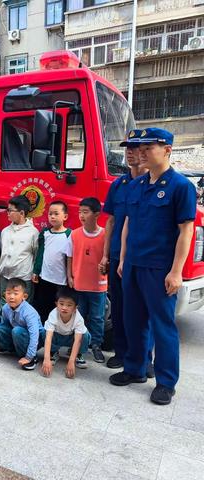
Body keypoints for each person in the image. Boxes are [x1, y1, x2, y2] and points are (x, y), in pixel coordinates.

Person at [110, 128, 196, 406]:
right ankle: (135, 369)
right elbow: (127, 225)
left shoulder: (181, 187)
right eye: (142, 148)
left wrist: (176, 271)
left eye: (149, 148)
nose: (143, 152)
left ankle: (166, 382)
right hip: (133, 264)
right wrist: (123, 258)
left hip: (160, 268)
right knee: (133, 320)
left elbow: (186, 232)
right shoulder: (136, 185)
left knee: (163, 326)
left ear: (167, 150)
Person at [100, 130, 154, 374]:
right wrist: (104, 255)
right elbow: (110, 222)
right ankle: (122, 353)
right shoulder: (118, 185)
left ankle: (146, 358)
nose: (131, 152)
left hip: (144, 257)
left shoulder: (154, 183)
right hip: (116, 255)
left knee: (145, 309)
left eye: (136, 147)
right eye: (127, 148)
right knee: (120, 307)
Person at [66, 197, 107, 364]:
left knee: (97, 317)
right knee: (79, 316)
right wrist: (69, 276)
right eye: (80, 212)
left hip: (98, 285)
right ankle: (78, 344)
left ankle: (96, 345)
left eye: (86, 212)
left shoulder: (105, 234)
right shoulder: (74, 234)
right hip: (80, 283)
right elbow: (69, 256)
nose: (81, 215)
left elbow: (108, 257)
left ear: (97, 214)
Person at [32, 200, 72, 322]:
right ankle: (42, 335)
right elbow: (40, 254)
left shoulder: (69, 234)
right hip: (45, 278)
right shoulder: (45, 233)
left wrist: (70, 276)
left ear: (65, 216)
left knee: (58, 309)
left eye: (56, 214)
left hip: (60, 281)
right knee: (42, 308)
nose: (52, 217)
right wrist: (36, 271)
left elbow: (70, 258)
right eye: (50, 214)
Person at [0, 277, 43, 370]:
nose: (11, 297)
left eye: (15, 293)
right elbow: (6, 325)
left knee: (17, 330)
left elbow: (35, 335)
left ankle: (32, 358)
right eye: (8, 293)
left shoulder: (29, 312)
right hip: (16, 336)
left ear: (24, 296)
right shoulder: (6, 308)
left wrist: (29, 356)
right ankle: (11, 349)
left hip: (32, 339)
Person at [41, 287, 91, 378]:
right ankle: (53, 352)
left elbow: (78, 341)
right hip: (57, 337)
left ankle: (78, 355)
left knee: (85, 334)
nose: (64, 308)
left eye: (69, 305)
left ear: (75, 308)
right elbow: (48, 337)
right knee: (44, 332)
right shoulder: (53, 314)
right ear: (56, 304)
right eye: (61, 304)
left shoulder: (78, 318)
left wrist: (71, 362)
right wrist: (46, 359)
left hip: (70, 339)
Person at [0, 195, 39, 304]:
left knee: (22, 308)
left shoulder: (33, 232)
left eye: (10, 210)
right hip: (5, 277)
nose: (8, 213)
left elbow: (35, 254)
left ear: (21, 213)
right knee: (4, 306)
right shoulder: (5, 231)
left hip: (22, 278)